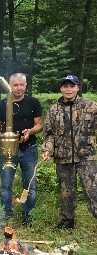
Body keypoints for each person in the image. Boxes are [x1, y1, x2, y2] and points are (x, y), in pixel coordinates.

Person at [42, 75, 97, 229]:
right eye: (65, 86)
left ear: (78, 88)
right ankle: (68, 220)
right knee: (66, 191)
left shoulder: (90, 106)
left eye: (72, 86)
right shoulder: (54, 110)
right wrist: (48, 150)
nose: (68, 89)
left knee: (92, 189)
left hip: (86, 155)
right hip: (63, 156)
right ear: (61, 89)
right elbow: (49, 134)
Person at [0, 73, 43, 224]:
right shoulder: (2, 104)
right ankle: (7, 214)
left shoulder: (33, 102)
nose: (19, 88)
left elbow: (40, 124)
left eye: (21, 85)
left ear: (26, 86)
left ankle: (28, 215)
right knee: (6, 184)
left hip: (29, 148)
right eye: (15, 85)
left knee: (30, 184)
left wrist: (30, 131)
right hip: (8, 150)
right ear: (10, 86)